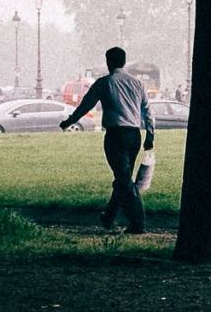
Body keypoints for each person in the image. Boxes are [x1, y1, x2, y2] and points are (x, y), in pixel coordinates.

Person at [60, 46, 156, 232]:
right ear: (124, 61)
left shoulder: (104, 83)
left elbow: (85, 105)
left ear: (108, 61)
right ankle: (109, 216)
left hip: (115, 135)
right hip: (134, 135)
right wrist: (150, 135)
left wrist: (69, 122)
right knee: (123, 178)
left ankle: (138, 222)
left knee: (123, 179)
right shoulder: (137, 83)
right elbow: (147, 111)